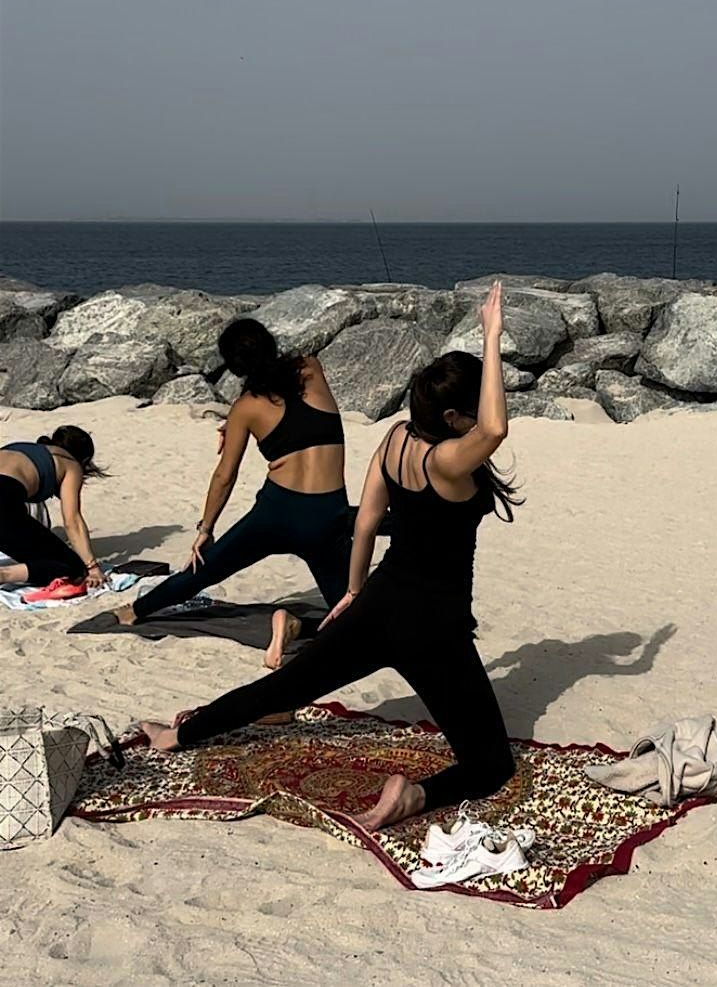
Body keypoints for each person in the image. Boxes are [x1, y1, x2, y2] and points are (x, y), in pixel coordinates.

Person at [140, 284, 521, 831]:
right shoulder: (449, 463)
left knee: (281, 689)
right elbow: (496, 427)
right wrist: (491, 335)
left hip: (378, 602)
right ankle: (413, 796)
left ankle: (177, 735)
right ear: (456, 416)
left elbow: (365, 522)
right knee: (490, 763)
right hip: (434, 627)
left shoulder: (395, 440)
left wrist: (351, 592)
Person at [117, 319, 351, 665]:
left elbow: (225, 476)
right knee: (351, 614)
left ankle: (134, 610)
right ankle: (296, 627)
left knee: (205, 570)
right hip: (327, 516)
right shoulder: (310, 368)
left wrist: (205, 529)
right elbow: (296, 410)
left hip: (277, 513)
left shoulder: (246, 407)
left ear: (234, 367)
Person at [0, 426, 109, 594]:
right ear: (84, 458)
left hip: (7, 496)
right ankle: (4, 575)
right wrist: (91, 566)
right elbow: (72, 521)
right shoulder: (71, 464)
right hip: (4, 498)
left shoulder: (21, 448)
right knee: (72, 569)